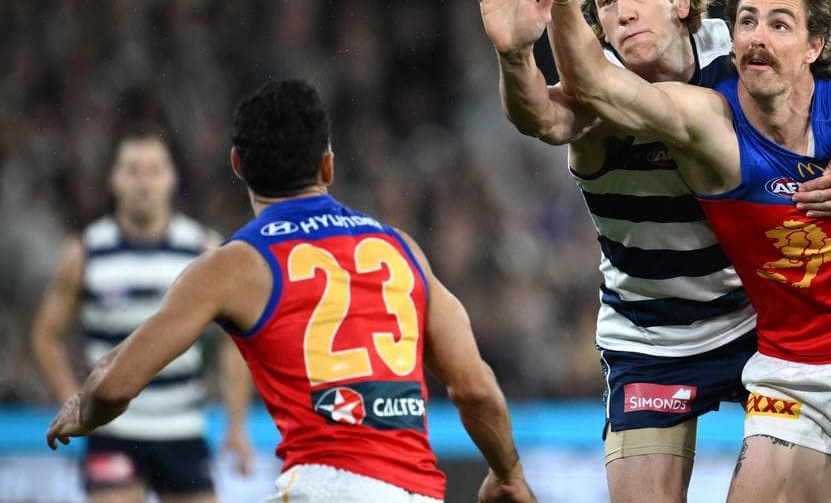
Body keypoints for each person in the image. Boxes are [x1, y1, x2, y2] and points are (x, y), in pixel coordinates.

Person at [468, 0, 831, 502]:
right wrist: (516, 53)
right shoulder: (596, 79)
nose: (622, 14)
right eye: (605, 3)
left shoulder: (743, 51)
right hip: (653, 334)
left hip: (762, 319)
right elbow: (544, 119)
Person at [46, 80, 537, 503]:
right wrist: (509, 475)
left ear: (238, 164)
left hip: (320, 485)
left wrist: (83, 409)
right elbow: (475, 390)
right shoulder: (401, 249)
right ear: (327, 166)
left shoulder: (234, 265)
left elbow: (114, 386)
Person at [31, 126, 254, 503]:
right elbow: (44, 336)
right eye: (132, 170)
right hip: (112, 429)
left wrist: (236, 425)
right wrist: (74, 400)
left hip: (183, 428)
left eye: (154, 170)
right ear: (113, 179)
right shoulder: (85, 251)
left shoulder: (204, 250)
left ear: (172, 179)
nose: (143, 182)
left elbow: (234, 343)